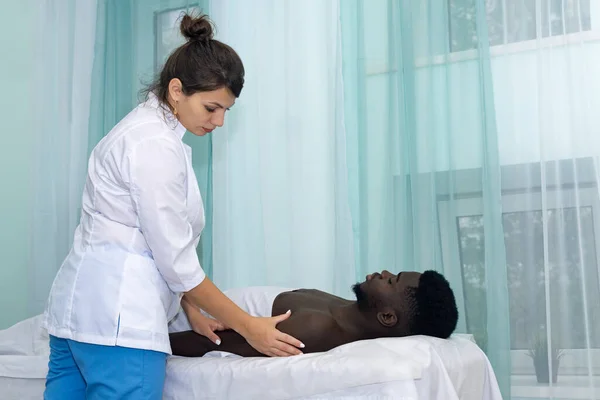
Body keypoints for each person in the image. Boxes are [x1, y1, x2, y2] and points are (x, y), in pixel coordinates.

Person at [42, 13, 304, 400]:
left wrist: (190, 311)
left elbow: (138, 236)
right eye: (212, 107)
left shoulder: (139, 131)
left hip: (76, 320)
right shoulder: (154, 147)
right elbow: (176, 262)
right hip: (120, 327)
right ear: (177, 90)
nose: (219, 121)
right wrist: (250, 326)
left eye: (227, 111)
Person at [169, 269, 459, 357]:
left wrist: (145, 342)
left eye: (392, 281)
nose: (383, 273)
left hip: (171, 321)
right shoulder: (345, 309)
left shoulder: (315, 330)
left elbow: (210, 341)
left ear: (387, 317)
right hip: (183, 298)